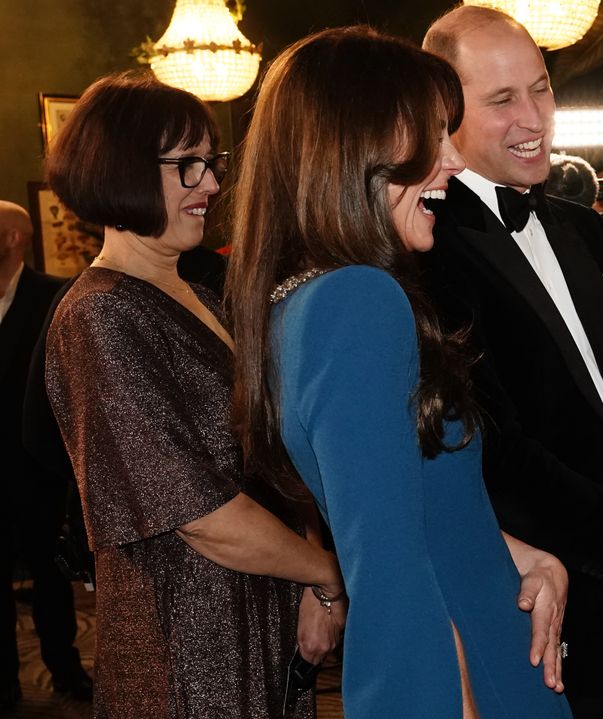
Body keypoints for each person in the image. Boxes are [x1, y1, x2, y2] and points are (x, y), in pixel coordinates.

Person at [225, 27, 573, 719]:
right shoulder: (357, 300)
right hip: (466, 679)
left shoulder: (301, 301)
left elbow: (402, 506)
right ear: (359, 146)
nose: (452, 160)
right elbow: (387, 568)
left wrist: (519, 554)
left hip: (482, 646)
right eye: (431, 137)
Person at [421, 8, 603, 718]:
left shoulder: (582, 227)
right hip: (550, 615)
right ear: (444, 116)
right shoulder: (427, 249)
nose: (535, 118)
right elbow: (497, 454)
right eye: (502, 100)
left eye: (541, 88)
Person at [42, 71, 343, 718]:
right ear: (121, 170)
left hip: (264, 608)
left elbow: (276, 456)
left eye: (212, 163)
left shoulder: (206, 295)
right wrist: (324, 575)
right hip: (188, 645)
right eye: (187, 165)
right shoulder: (99, 315)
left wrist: (312, 573)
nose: (210, 184)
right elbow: (198, 513)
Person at [0, 201, 90, 710]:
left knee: (51, 578)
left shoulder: (54, 296)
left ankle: (65, 668)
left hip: (37, 471)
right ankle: (3, 680)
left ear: (14, 237)